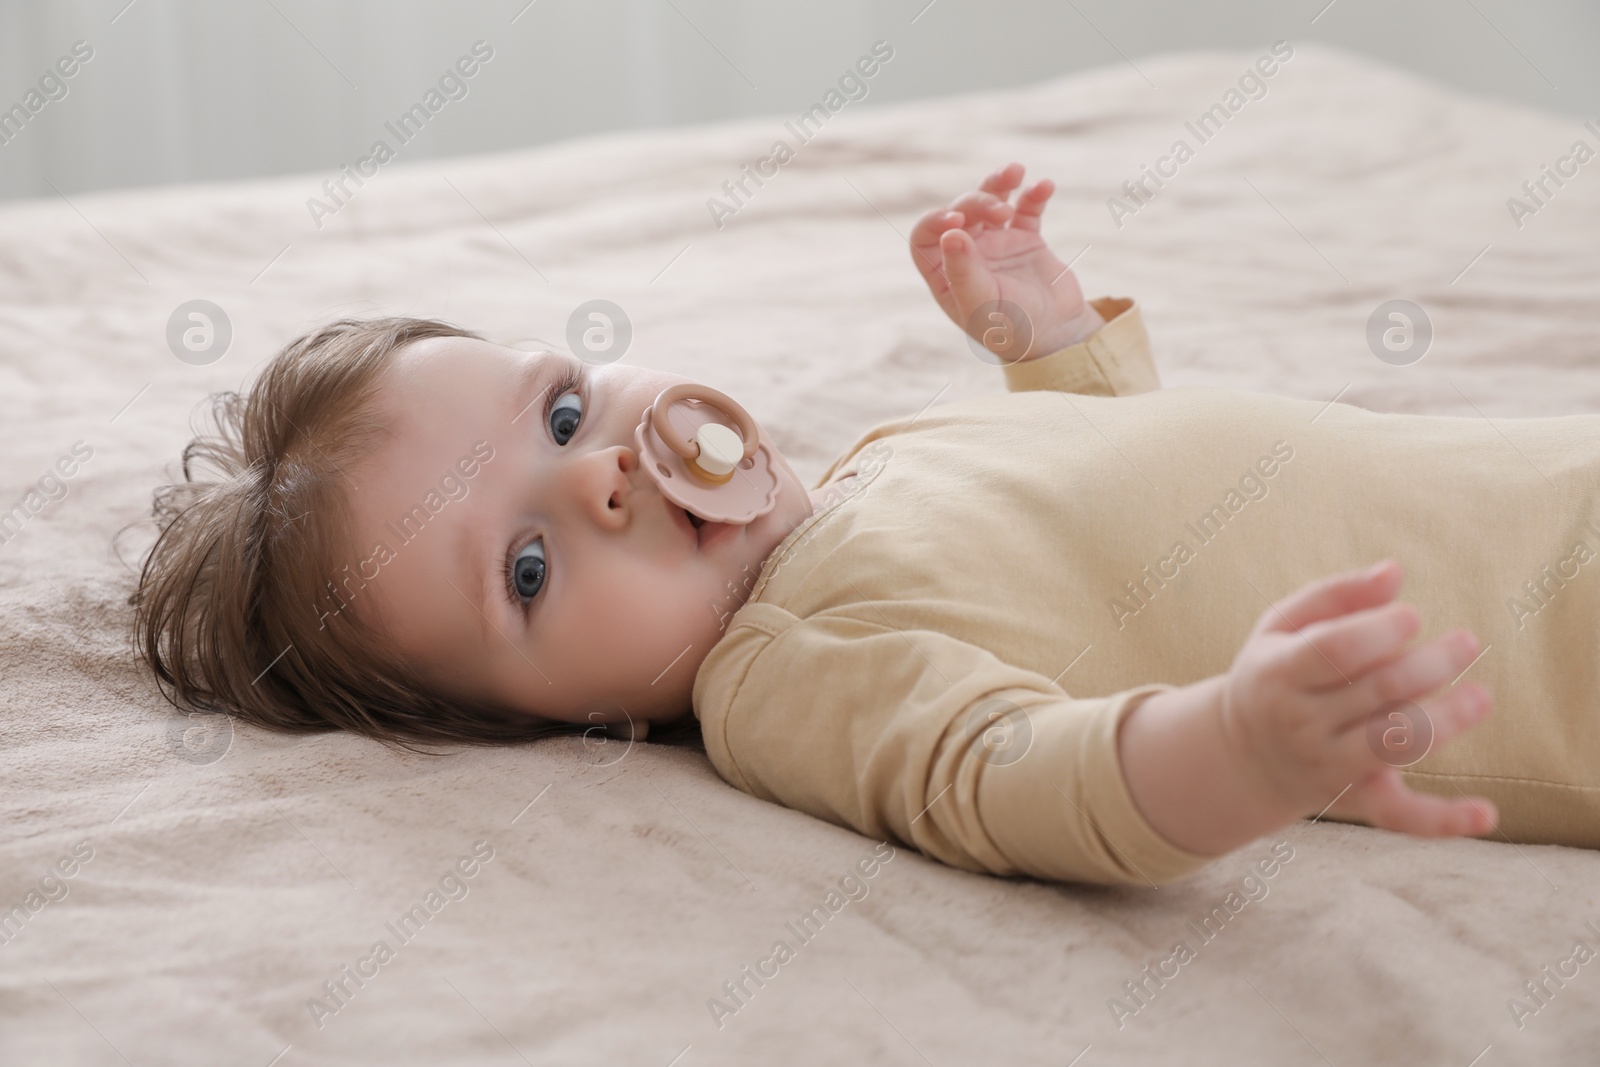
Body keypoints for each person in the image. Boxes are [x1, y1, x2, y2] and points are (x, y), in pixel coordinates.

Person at [135, 162, 1600, 887]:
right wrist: (1241, 742)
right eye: (528, 569)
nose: (599, 482)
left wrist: (1052, 349)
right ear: (569, 725)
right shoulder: (787, 674)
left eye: (565, 412)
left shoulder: (868, 468)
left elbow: (1102, 482)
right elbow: (1019, 780)